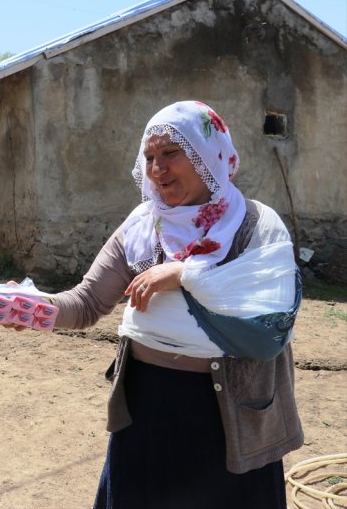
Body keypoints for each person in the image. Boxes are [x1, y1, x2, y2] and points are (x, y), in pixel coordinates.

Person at [46, 101, 302, 508]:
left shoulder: (256, 224)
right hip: (148, 405)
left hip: (227, 410)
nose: (156, 169)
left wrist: (185, 274)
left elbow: (272, 325)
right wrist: (27, 306)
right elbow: (87, 302)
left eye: (170, 153)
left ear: (206, 154)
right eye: (149, 157)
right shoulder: (143, 226)